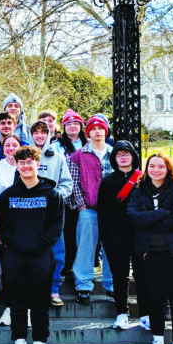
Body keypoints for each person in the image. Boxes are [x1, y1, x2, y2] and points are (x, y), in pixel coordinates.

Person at [0, 146, 64, 344]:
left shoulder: (52, 195)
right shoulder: (8, 195)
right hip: (14, 255)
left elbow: (56, 225)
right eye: (21, 162)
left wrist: (39, 244)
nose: (26, 166)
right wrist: (12, 243)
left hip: (41, 255)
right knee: (16, 300)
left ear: (37, 164)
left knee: (40, 301)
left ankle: (41, 342)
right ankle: (19, 341)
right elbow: (1, 224)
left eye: (29, 162)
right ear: (17, 165)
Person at [128, 153, 173, 344]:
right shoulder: (140, 191)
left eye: (160, 167)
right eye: (152, 166)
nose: (156, 170)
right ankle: (157, 340)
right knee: (155, 298)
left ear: (168, 169)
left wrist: (150, 219)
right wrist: (162, 213)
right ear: (147, 169)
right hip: (150, 254)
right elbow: (133, 217)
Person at [97, 140, 150, 330]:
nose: (123, 157)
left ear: (134, 157)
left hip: (139, 235)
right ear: (114, 158)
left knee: (142, 275)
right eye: (119, 154)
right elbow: (102, 212)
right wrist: (105, 237)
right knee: (119, 276)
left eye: (127, 153)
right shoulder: (108, 182)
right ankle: (122, 312)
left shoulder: (143, 180)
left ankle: (145, 314)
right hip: (115, 236)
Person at [68, 115, 114, 306]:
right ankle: (84, 285)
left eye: (100, 128)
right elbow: (73, 183)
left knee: (112, 249)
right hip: (89, 208)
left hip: (112, 210)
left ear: (106, 131)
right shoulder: (79, 155)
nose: (97, 131)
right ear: (87, 132)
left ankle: (112, 285)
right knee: (85, 247)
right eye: (93, 129)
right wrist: (81, 205)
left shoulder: (115, 153)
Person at [30, 120, 73, 306]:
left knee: (56, 251)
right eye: (36, 132)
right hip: (29, 213)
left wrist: (55, 197)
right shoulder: (24, 155)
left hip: (53, 213)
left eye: (43, 132)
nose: (39, 136)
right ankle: (35, 288)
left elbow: (67, 184)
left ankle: (54, 289)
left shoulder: (57, 157)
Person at [0, 134, 22, 327]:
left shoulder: (26, 166)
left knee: (25, 269)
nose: (10, 148)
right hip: (4, 226)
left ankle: (25, 308)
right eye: (7, 145)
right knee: (8, 269)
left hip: (26, 227)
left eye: (14, 145)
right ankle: (10, 307)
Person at [53, 109, 87, 278]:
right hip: (64, 194)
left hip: (84, 194)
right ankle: (65, 265)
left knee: (81, 232)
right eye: (69, 124)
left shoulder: (87, 144)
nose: (73, 127)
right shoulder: (56, 145)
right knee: (66, 231)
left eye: (76, 123)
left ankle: (79, 265)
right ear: (63, 127)